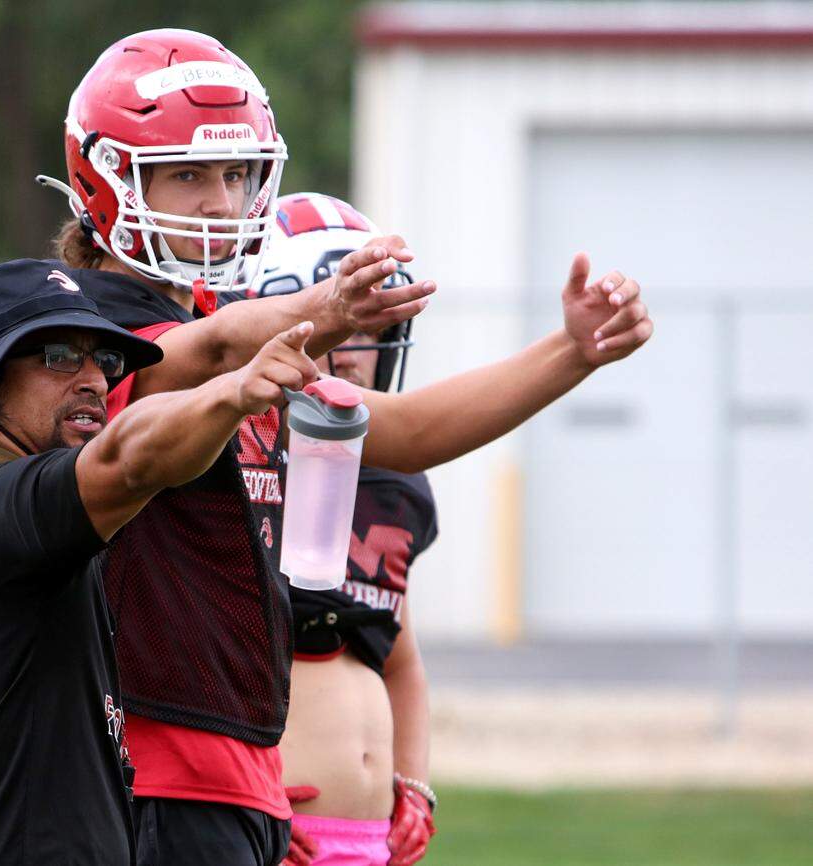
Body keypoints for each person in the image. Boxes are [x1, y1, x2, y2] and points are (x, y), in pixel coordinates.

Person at [37, 28, 652, 866]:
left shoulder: (219, 322)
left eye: (234, 173)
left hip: (240, 769)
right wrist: (323, 313)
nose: (221, 201)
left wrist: (571, 353)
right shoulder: (79, 329)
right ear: (105, 176)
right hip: (144, 772)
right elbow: (200, 357)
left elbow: (408, 432)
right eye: (186, 173)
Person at [0, 258, 321, 866]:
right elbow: (126, 459)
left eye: (103, 360)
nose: (96, 382)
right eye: (58, 357)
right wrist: (232, 392)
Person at [247, 193, 439, 866]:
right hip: (265, 828)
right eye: (347, 328)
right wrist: (238, 792)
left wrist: (412, 783)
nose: (362, 354)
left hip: (366, 838)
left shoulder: (390, 482)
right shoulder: (234, 473)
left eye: (379, 333)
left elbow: (401, 661)